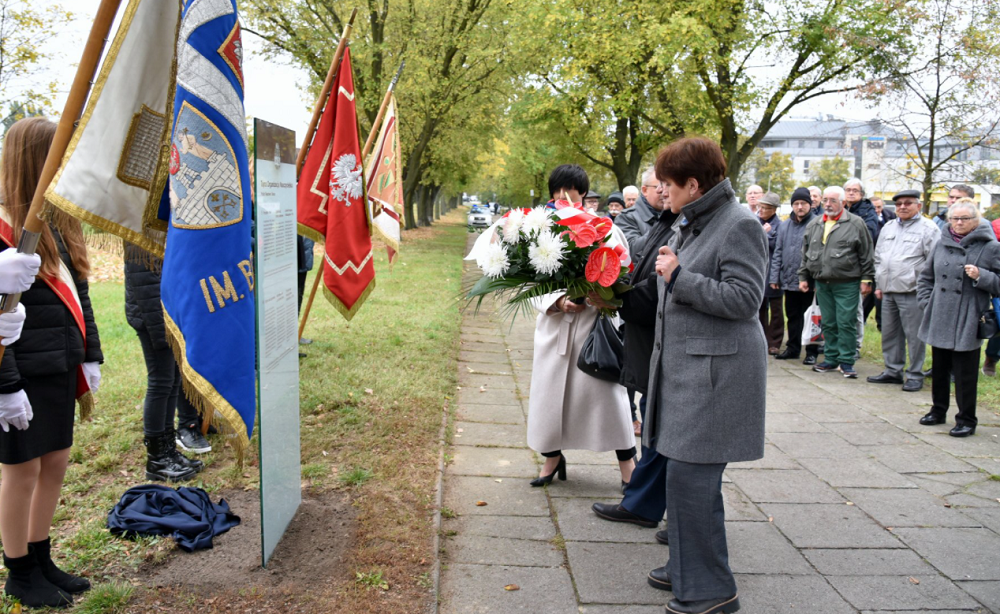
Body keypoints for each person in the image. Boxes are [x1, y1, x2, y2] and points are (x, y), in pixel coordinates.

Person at [645, 137, 767, 614]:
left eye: (668, 186)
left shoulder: (739, 224)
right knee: (683, 477)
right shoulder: (696, 220)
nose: (662, 193)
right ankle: (684, 567)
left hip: (717, 376)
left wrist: (680, 278)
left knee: (693, 482)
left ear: (693, 185)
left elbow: (744, 300)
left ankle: (713, 591)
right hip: (692, 372)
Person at [0, 117, 102, 608]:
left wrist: (92, 355)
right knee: (21, 473)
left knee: (56, 464)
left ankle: (41, 557)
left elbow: (80, 295)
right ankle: (18, 570)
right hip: (18, 377)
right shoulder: (0, 229)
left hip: (60, 364)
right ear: (34, 162)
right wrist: (6, 385)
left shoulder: (57, 224)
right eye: (57, 156)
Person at [526, 165, 636, 490]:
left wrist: (599, 291)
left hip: (592, 329)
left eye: (570, 190)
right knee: (549, 400)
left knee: (608, 398)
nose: (563, 196)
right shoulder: (540, 230)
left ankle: (628, 464)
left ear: (583, 194)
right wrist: (558, 301)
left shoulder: (605, 228)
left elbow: (622, 268)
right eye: (557, 191)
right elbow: (528, 282)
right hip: (555, 328)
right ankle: (552, 457)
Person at [589, 187, 682, 540]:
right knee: (656, 425)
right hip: (649, 336)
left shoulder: (686, 223)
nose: (662, 190)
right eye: (658, 185)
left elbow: (662, 286)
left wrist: (616, 300)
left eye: (668, 183)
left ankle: (674, 516)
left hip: (667, 338)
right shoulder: (668, 218)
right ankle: (643, 503)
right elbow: (640, 262)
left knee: (668, 431)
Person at [123, 246, 209, 482]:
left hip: (168, 318)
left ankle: (169, 449)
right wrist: (162, 332)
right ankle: (157, 458)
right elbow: (145, 285)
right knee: (161, 383)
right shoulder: (140, 231)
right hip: (154, 320)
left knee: (172, 381)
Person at [916, 198, 1000, 437]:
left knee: (965, 373)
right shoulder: (941, 243)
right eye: (954, 218)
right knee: (940, 368)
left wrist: (981, 275)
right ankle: (938, 410)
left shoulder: (991, 246)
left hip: (969, 315)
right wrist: (926, 303)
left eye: (964, 219)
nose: (959, 223)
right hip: (940, 312)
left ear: (976, 221)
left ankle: (966, 419)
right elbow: (925, 277)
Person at [866, 190, 939, 392]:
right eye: (898, 204)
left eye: (908, 203)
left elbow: (934, 262)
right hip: (888, 290)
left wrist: (926, 291)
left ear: (919, 206)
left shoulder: (928, 229)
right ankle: (893, 370)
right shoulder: (889, 227)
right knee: (889, 333)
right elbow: (878, 258)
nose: (903, 207)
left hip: (913, 291)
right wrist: (879, 286)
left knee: (914, 337)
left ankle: (915, 374)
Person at [799, 186, 874, 379]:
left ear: (842, 202)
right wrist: (803, 277)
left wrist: (867, 279)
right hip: (822, 282)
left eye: (833, 200)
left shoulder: (855, 223)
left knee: (846, 322)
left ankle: (847, 361)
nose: (828, 204)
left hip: (847, 282)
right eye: (825, 200)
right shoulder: (815, 224)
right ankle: (831, 359)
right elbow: (805, 254)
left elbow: (866, 254)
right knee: (829, 322)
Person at [770, 188, 819, 363]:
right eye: (796, 204)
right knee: (792, 316)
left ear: (810, 205)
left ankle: (812, 351)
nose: (799, 207)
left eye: (803, 203)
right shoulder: (784, 226)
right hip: (789, 280)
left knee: (811, 317)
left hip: (809, 281)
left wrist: (809, 278)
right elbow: (778, 252)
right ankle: (793, 348)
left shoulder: (817, 224)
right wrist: (774, 277)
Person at [757, 193, 783, 354]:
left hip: (773, 271)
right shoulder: (755, 222)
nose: (760, 210)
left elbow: (777, 246)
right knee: (759, 308)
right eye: (760, 207)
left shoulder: (780, 225)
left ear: (773, 210)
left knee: (776, 309)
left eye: (764, 208)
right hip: (759, 270)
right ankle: (762, 339)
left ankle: (774, 341)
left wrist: (764, 235)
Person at [615, 167, 664, 251]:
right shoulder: (625, 218)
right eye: (659, 188)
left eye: (668, 186)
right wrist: (663, 225)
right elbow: (631, 251)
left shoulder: (676, 214)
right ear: (645, 190)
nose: (665, 192)